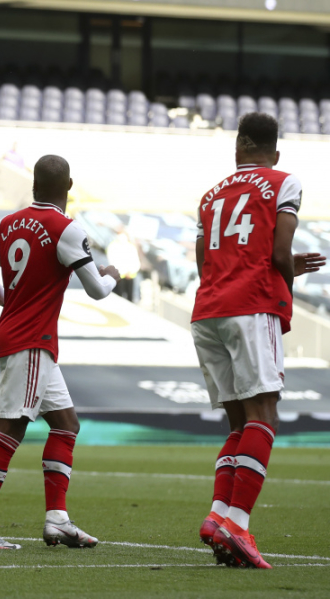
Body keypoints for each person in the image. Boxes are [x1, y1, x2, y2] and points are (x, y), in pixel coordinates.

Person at [0, 155, 119, 550]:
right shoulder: (67, 229)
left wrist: (6, 301)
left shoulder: (10, 222)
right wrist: (113, 275)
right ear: (68, 187)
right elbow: (97, 289)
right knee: (10, 429)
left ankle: (57, 520)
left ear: (34, 185)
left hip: (23, 337)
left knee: (66, 424)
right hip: (31, 341)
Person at [192, 113, 326, 569]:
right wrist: (283, 283)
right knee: (264, 416)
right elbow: (279, 253)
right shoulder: (285, 182)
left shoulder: (210, 196)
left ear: (237, 151)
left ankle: (218, 516)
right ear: (276, 150)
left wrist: (269, 268)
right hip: (251, 307)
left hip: (208, 310)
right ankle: (238, 524)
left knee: (238, 424)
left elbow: (204, 261)